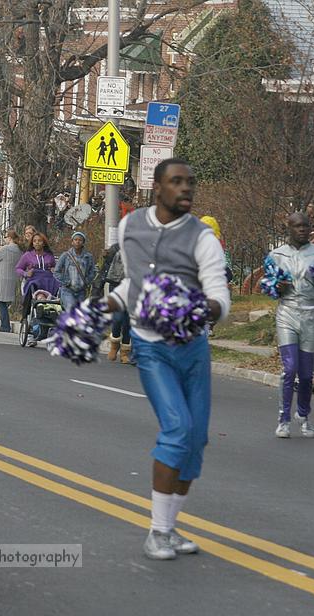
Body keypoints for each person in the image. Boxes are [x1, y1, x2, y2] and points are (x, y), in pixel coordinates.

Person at [102, 158, 230, 561]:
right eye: (177, 182)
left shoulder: (203, 239)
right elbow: (131, 284)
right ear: (157, 188)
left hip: (192, 349)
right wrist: (103, 307)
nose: (186, 189)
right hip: (150, 345)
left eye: (191, 183)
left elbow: (220, 299)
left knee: (196, 440)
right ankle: (156, 532)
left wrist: (191, 309)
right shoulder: (129, 227)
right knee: (176, 428)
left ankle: (170, 529)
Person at [264, 212, 314, 439]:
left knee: (306, 374)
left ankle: (304, 417)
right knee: (290, 368)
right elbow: (268, 288)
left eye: (306, 226)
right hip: (287, 312)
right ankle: (283, 419)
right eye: (297, 226)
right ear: (289, 228)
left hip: (310, 313)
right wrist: (278, 287)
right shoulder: (276, 255)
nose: (302, 230)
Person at [15, 232, 58, 325]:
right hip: (34, 279)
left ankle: (54, 311)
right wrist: (26, 273)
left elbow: (55, 267)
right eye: (34, 241)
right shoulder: (27, 255)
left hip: (48, 279)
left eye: (39, 241)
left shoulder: (49, 255)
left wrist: (54, 269)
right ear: (32, 243)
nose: (37, 243)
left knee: (60, 286)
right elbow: (18, 268)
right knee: (32, 285)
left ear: (44, 243)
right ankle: (25, 314)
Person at [0, 230, 23, 332]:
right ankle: (5, 323)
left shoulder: (5, 249)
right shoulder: (19, 250)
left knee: (1, 302)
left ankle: (5, 325)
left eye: (5, 237)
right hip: (14, 278)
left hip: (2, 277)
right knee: (7, 301)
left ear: (9, 238)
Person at [53, 230, 97, 312]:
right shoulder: (65, 256)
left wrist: (87, 281)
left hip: (81, 292)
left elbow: (93, 271)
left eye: (80, 240)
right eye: (75, 240)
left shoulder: (88, 257)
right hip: (67, 291)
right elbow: (56, 272)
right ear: (72, 242)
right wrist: (66, 282)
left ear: (83, 242)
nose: (77, 242)